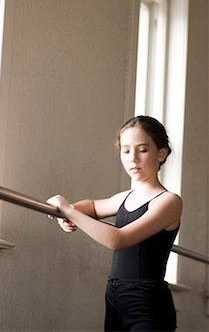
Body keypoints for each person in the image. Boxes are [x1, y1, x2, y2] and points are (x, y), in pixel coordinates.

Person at [47, 115, 182, 332]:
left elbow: (118, 239)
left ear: (161, 153)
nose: (133, 158)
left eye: (143, 150)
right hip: (115, 298)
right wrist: (70, 213)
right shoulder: (124, 198)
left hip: (147, 303)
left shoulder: (169, 201)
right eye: (126, 150)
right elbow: (91, 206)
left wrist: (68, 210)